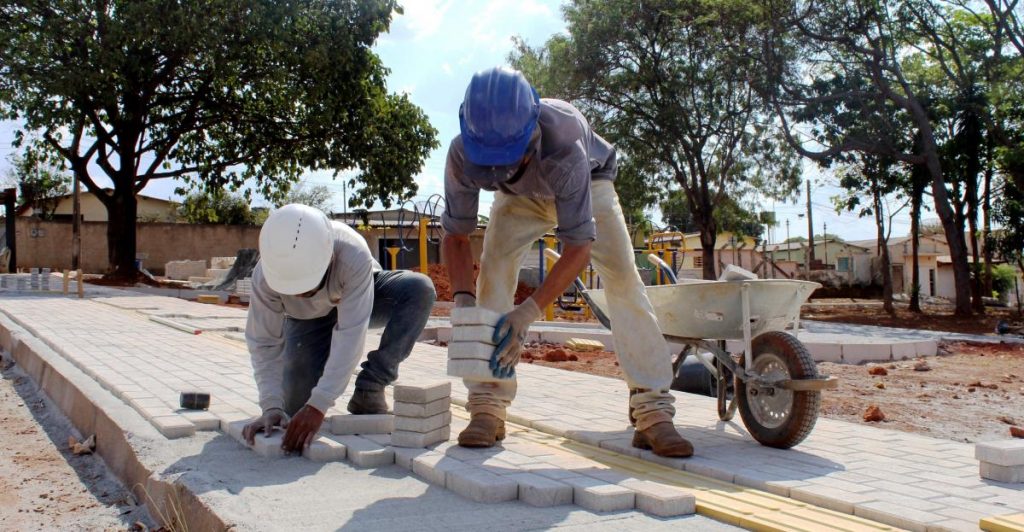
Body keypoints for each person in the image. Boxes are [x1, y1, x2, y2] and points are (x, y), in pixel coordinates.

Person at [442, 67, 693, 457]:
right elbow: (456, 236)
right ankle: (487, 404)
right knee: (493, 271)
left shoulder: (564, 145)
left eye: (508, 156)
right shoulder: (462, 153)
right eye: (487, 160)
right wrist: (462, 303)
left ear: (531, 131)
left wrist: (528, 311)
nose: (496, 168)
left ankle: (652, 410)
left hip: (589, 182)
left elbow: (578, 246)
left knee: (624, 279)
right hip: (518, 198)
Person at [242, 204, 435, 453]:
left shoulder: (351, 253)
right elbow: (264, 342)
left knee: (419, 289)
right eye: (294, 290)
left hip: (362, 297)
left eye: (308, 288)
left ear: (329, 257)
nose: (301, 295)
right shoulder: (265, 277)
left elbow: (351, 334)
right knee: (291, 410)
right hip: (308, 322)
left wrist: (319, 404)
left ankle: (371, 386)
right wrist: (270, 406)